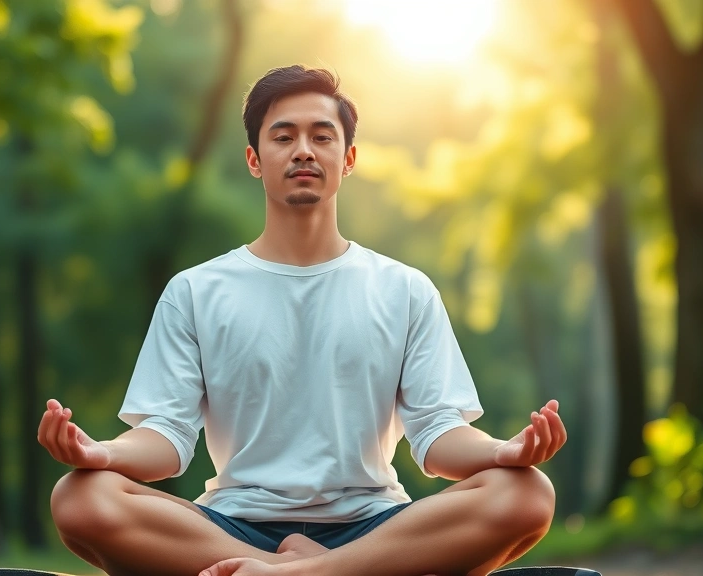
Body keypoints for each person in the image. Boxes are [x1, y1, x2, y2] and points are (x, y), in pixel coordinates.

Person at [38, 65, 567, 576]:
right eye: (283, 137)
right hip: (231, 525)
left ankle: (307, 572)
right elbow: (167, 439)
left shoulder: (404, 289)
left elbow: (437, 435)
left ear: (349, 156)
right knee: (82, 497)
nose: (304, 151)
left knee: (526, 492)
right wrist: (99, 452)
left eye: (322, 136)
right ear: (254, 158)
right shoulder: (195, 291)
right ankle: (318, 572)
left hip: (374, 523)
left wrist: (504, 451)